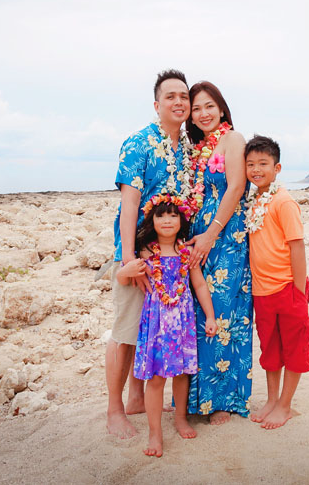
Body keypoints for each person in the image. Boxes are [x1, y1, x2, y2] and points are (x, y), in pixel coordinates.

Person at [105, 69, 193, 439]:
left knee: (151, 329)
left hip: (170, 255)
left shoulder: (186, 149)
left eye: (184, 97)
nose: (179, 102)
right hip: (137, 253)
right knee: (126, 331)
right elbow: (130, 204)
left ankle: (138, 398)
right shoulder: (138, 143)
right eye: (170, 96)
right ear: (157, 105)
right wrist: (128, 259)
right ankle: (114, 410)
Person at [117, 196, 217, 457]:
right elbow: (122, 276)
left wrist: (209, 316)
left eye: (173, 215)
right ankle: (155, 433)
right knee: (158, 377)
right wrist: (126, 271)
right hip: (157, 323)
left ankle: (181, 418)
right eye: (161, 215)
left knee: (182, 373)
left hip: (183, 322)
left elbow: (199, 285)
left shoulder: (186, 252)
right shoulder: (146, 253)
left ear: (181, 219)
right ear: (152, 220)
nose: (167, 220)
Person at [183, 81, 253, 424]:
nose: (203, 113)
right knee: (199, 313)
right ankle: (198, 398)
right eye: (196, 109)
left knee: (224, 313)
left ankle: (222, 401)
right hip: (199, 236)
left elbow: (237, 186)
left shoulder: (233, 139)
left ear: (222, 108)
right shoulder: (197, 147)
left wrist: (211, 234)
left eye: (209, 106)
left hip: (226, 236)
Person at [243, 135, 309, 430]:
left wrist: (298, 291)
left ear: (277, 167)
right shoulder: (254, 200)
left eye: (263, 163)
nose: (256, 169)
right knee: (270, 350)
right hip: (262, 292)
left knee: (294, 349)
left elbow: (297, 246)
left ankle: (285, 405)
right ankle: (271, 400)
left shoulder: (283, 202)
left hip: (287, 289)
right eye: (250, 164)